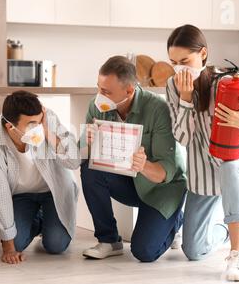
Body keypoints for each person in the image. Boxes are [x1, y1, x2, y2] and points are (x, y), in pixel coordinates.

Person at [166, 24, 239, 281]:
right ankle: (238, 225)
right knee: (194, 250)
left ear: (203, 53)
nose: (180, 69)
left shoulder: (225, 84)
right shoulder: (173, 86)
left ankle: (237, 255)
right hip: (205, 179)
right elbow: (182, 138)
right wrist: (186, 99)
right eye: (173, 63)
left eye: (184, 61)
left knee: (230, 165)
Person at [80, 56, 187, 262]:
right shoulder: (96, 107)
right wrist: (88, 144)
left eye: (106, 92)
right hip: (129, 182)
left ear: (129, 91)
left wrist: (144, 165)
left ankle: (175, 219)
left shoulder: (157, 108)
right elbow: (80, 155)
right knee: (89, 168)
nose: (99, 96)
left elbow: (166, 170)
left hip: (161, 187)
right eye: (99, 88)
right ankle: (109, 240)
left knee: (144, 252)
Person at [0, 90, 81, 264]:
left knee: (56, 245)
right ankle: (38, 219)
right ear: (10, 127)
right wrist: (9, 248)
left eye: (40, 121)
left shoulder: (48, 120)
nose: (38, 127)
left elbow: (74, 161)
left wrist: (50, 133)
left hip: (52, 191)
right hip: (21, 195)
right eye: (32, 124)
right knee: (16, 242)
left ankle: (47, 218)